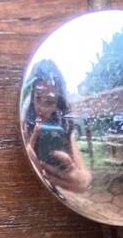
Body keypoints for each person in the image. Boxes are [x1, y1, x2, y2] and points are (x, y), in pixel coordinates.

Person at [21, 59, 91, 194]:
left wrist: (80, 180)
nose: (40, 108)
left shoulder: (63, 130)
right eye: (37, 98)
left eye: (49, 101)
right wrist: (26, 160)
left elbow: (85, 177)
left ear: (58, 104)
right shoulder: (25, 125)